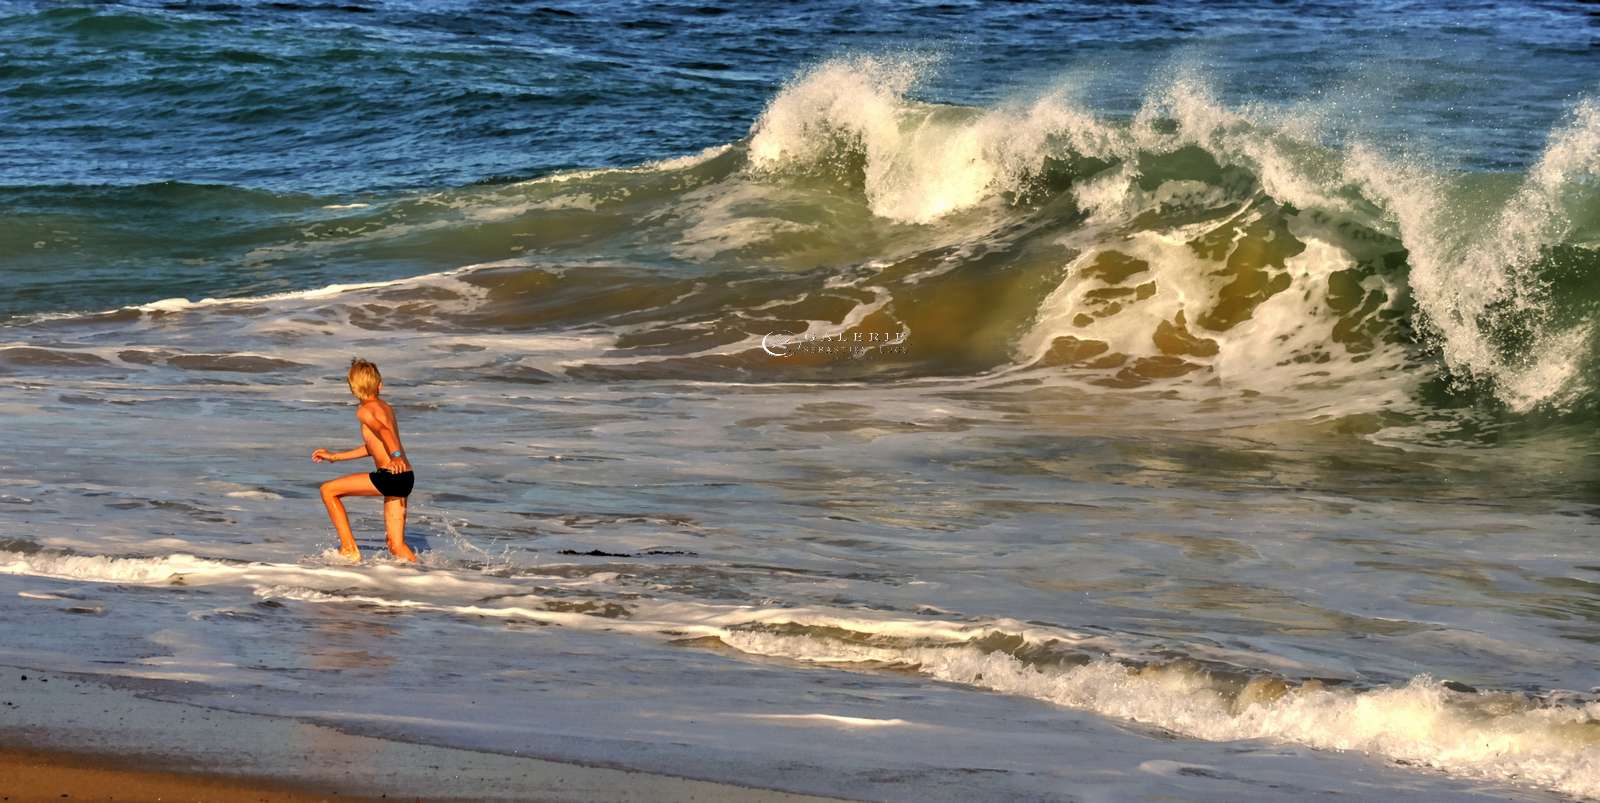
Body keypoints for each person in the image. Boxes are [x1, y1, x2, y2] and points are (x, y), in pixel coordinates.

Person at [311, 358, 418, 562]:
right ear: (380, 385)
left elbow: (384, 432)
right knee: (396, 546)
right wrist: (335, 457)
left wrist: (396, 457)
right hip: (404, 476)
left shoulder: (364, 410)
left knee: (328, 490)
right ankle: (425, 577)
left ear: (352, 388)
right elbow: (374, 447)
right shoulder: (385, 407)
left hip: (389, 475)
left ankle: (349, 548)